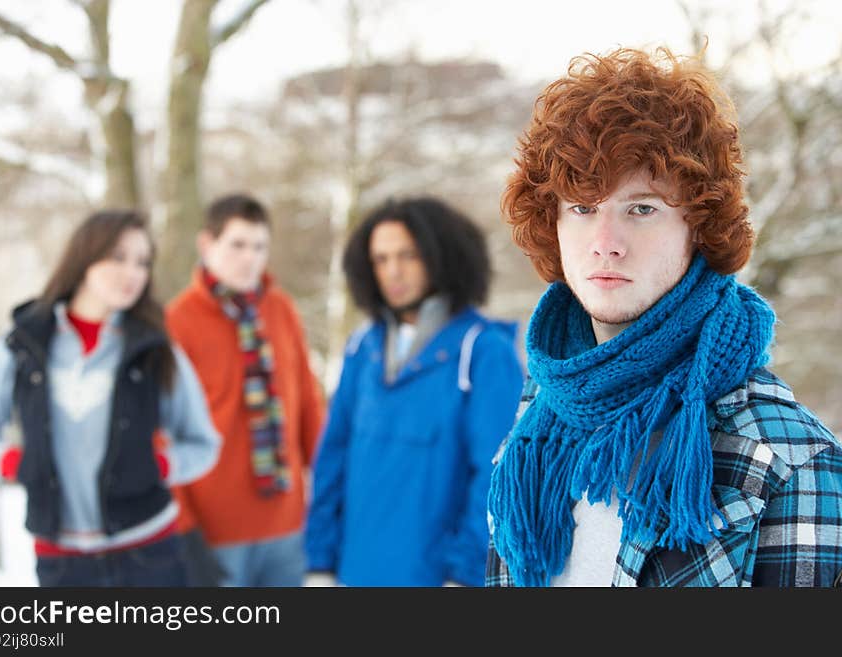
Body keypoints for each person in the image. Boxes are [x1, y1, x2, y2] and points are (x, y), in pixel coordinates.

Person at [486, 47, 842, 587]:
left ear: (698, 225)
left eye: (642, 209)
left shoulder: (789, 459)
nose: (606, 244)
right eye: (583, 209)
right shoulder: (541, 411)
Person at [0, 210, 220, 586]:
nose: (132, 272)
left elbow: (203, 442)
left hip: (149, 553)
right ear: (85, 257)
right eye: (118, 257)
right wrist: (6, 461)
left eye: (142, 262)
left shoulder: (154, 348)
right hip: (61, 562)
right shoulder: (24, 343)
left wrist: (159, 466)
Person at [305, 196, 524, 586]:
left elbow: (496, 478)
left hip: (433, 578)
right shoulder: (362, 348)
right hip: (353, 573)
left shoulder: (482, 352)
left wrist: (466, 574)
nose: (393, 271)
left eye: (408, 255)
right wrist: (319, 563)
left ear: (441, 256)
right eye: (381, 259)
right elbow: (332, 459)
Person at [165, 193, 325, 587]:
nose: (250, 258)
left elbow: (308, 404)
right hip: (213, 530)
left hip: (286, 527)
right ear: (207, 245)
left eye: (259, 246)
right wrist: (183, 527)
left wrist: (327, 494)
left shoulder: (281, 309)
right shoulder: (177, 321)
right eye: (237, 245)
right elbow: (161, 431)